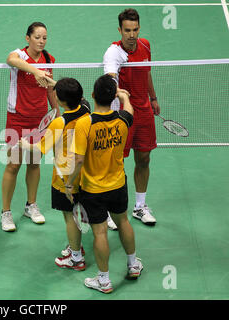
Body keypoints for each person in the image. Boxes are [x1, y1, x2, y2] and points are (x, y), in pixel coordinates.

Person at [64, 74, 143, 293]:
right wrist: (123, 95)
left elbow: (78, 160)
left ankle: (104, 280)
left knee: (100, 233)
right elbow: (129, 109)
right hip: (118, 184)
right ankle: (133, 265)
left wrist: (70, 185)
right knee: (124, 222)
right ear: (113, 98)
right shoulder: (123, 119)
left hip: (93, 189)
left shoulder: (84, 123)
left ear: (92, 95)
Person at [19, 77, 90, 270]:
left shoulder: (59, 123)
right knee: (77, 211)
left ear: (60, 99)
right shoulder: (86, 110)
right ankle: (76, 246)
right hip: (84, 172)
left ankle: (76, 258)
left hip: (65, 176)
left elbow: (38, 150)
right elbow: (76, 93)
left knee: (70, 216)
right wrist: (54, 83)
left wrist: (25, 144)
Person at [103, 8, 158, 229]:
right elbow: (110, 80)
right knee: (115, 162)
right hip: (123, 114)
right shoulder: (113, 53)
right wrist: (122, 97)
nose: (132, 35)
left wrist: (152, 97)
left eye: (135, 29)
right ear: (120, 30)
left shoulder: (145, 45)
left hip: (144, 111)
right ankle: (106, 210)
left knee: (143, 158)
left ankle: (140, 206)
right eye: (127, 30)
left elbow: (147, 72)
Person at [1, 22, 58, 232]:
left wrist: (56, 112)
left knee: (34, 163)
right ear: (28, 38)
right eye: (37, 37)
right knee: (13, 165)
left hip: (39, 119)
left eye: (44, 37)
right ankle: (6, 213)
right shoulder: (20, 55)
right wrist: (36, 71)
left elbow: (51, 90)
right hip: (17, 118)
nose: (41, 41)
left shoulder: (50, 59)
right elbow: (11, 60)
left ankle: (30, 205)